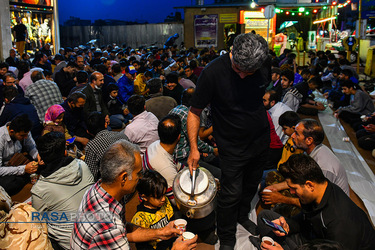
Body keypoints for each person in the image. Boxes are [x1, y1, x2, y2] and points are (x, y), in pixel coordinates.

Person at [186, 33, 271, 249]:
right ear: (232, 52)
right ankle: (226, 236)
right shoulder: (212, 72)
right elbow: (194, 112)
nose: (242, 75)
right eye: (237, 69)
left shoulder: (263, 64)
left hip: (260, 141)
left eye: (248, 72)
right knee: (230, 194)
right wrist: (194, 148)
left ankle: (242, 216)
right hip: (231, 146)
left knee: (252, 185)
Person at [70, 140, 183, 249]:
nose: (140, 178)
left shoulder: (98, 189)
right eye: (138, 173)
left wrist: (160, 232)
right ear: (124, 178)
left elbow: (124, 230)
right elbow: (117, 229)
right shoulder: (111, 228)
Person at [255, 154, 375, 250]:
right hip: (310, 237)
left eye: (294, 188)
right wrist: (287, 226)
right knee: (264, 217)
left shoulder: (340, 224)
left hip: (315, 245)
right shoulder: (319, 189)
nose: (291, 192)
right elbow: (304, 219)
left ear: (309, 185)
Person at [31, 132, 94, 250]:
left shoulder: (39, 189)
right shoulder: (82, 165)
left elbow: (39, 222)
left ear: (41, 157)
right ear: (65, 151)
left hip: (72, 244)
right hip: (99, 232)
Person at [131, 170, 175, 250]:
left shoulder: (165, 203)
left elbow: (172, 219)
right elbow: (142, 247)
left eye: (164, 194)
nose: (163, 199)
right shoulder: (140, 219)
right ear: (144, 197)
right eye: (158, 197)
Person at [0, 115, 38, 196]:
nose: (26, 137)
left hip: (19, 162)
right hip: (6, 169)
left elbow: (31, 147)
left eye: (27, 134)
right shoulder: (1, 138)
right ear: (12, 131)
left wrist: (38, 156)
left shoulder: (24, 131)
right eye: (22, 136)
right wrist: (24, 169)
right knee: (6, 185)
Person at [84, 111, 129, 180]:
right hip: (129, 175)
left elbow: (91, 175)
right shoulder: (122, 136)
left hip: (111, 183)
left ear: (88, 131)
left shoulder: (92, 146)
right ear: (105, 124)